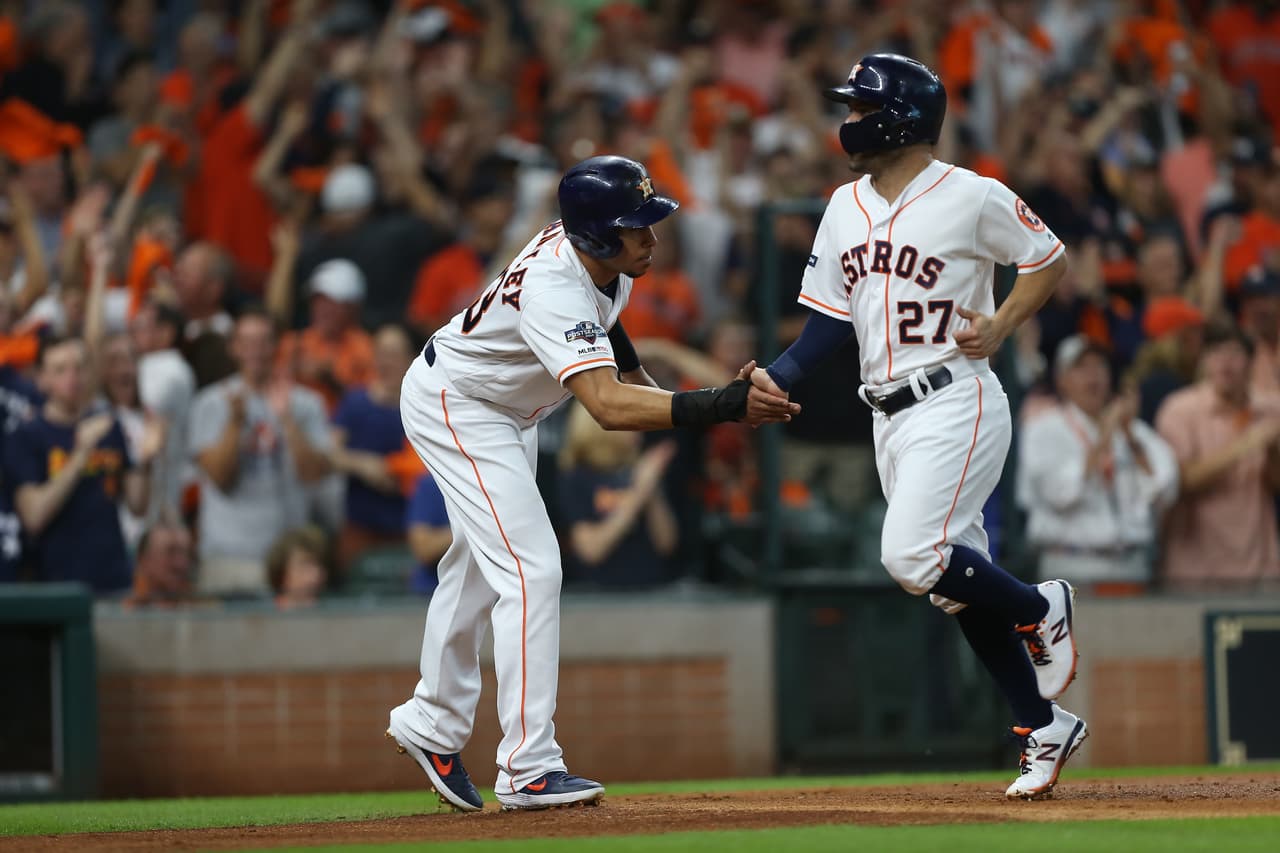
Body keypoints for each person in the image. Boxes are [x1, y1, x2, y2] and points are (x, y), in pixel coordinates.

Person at [386, 155, 796, 813]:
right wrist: (721, 403)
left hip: (503, 409)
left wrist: (697, 399)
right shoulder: (555, 284)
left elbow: (613, 342)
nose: (652, 237)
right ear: (599, 234)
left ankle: (432, 721)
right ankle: (527, 766)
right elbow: (606, 406)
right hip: (459, 403)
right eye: (637, 227)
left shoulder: (598, 262)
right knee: (532, 570)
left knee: (478, 566)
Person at [745, 54, 1082, 801]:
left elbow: (1048, 260)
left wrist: (1001, 323)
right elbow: (831, 319)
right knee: (953, 585)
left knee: (909, 556)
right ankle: (1041, 724)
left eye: (862, 108)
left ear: (900, 120)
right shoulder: (844, 205)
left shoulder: (970, 194)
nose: (850, 119)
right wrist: (782, 375)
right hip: (888, 417)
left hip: (954, 396)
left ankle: (1040, 606)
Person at [187, 308, 333, 598]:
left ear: (276, 345)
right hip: (228, 557)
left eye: (264, 341)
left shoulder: (307, 403)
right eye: (247, 342)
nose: (255, 350)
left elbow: (314, 475)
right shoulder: (211, 403)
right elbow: (220, 478)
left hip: (288, 564)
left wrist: (288, 421)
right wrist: (234, 424)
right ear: (233, 347)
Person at [1017, 336, 1179, 594]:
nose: (1093, 375)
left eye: (1100, 366)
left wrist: (1128, 436)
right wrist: (1103, 438)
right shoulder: (1043, 429)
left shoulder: (1133, 431)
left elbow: (1164, 490)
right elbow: (1059, 495)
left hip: (1131, 566)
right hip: (1070, 566)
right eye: (1081, 367)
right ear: (1061, 380)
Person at [3, 336, 159, 594]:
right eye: (60, 370)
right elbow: (33, 517)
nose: (72, 378)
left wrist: (145, 458)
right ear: (42, 379)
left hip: (114, 575)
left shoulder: (108, 426)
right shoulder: (27, 435)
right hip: (56, 584)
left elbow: (137, 505)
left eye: (79, 367)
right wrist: (81, 454)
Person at [1155, 321, 1280, 592]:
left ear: (1251, 361)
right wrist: (1245, 444)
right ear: (1204, 360)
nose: (1225, 361)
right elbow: (1181, 482)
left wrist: (1273, 450)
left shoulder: (1271, 409)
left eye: (1234, 352)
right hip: (1195, 570)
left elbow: (1275, 485)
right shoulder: (1179, 409)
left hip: (1260, 568)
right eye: (1216, 352)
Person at [557, 402, 678, 589]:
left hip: (651, 589)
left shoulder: (639, 469)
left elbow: (667, 544)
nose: (639, 429)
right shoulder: (577, 477)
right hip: (599, 593)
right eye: (630, 421)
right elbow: (591, 551)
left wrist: (651, 486)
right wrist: (640, 491)